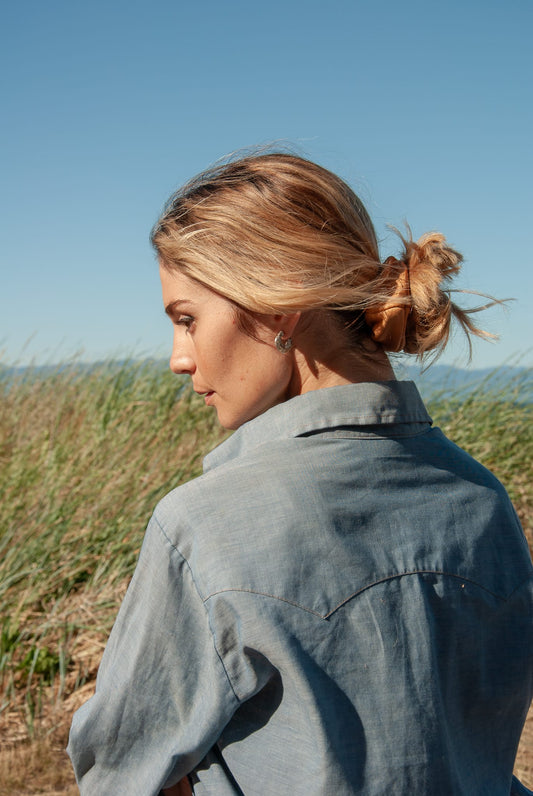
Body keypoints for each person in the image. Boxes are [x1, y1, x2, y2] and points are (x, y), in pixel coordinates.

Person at [67, 153, 533, 795]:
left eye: (187, 319)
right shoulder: (484, 499)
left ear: (278, 307)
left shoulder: (204, 527)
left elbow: (118, 773)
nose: (179, 358)